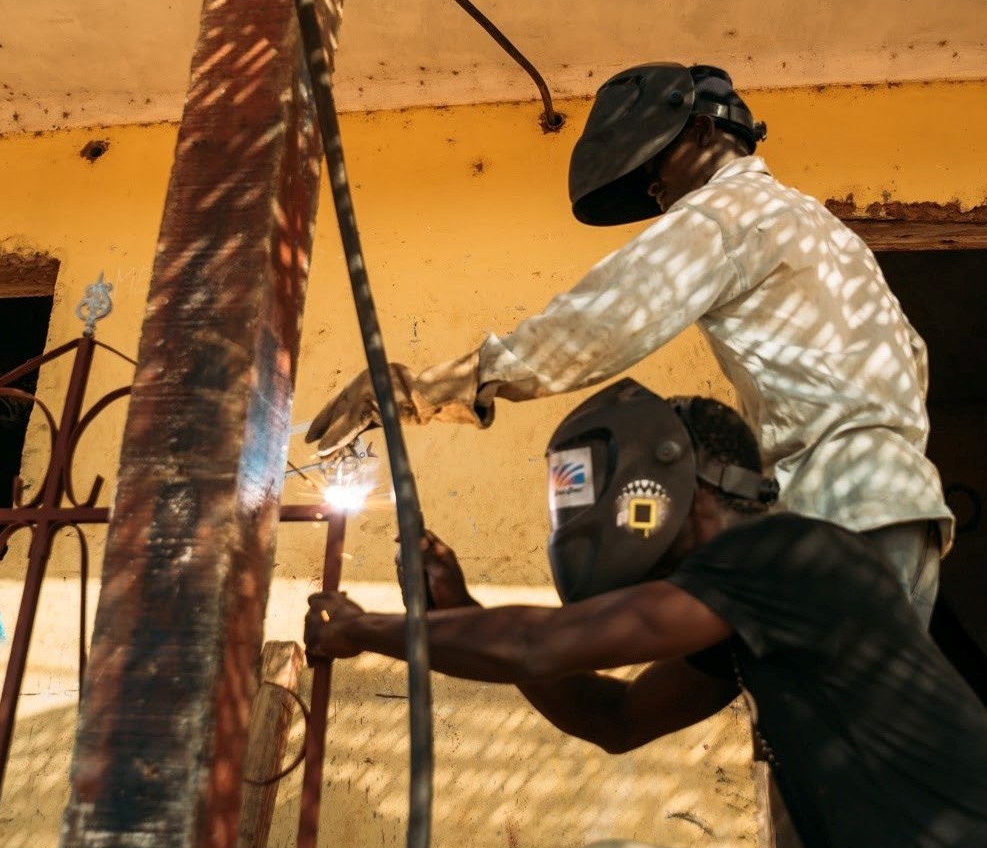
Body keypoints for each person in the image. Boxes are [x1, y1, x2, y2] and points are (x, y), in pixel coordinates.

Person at [304, 380, 987, 848]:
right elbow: (615, 718)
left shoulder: (782, 553)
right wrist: (457, 608)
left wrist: (365, 629)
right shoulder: (756, 610)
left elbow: (544, 643)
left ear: (679, 476)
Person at [304, 63, 952, 626]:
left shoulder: (727, 214)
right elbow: (911, 361)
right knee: (865, 718)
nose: (650, 187)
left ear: (703, 132)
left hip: (837, 509)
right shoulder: (819, 226)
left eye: (653, 162)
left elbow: (597, 327)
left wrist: (416, 391)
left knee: (821, 718)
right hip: (901, 511)